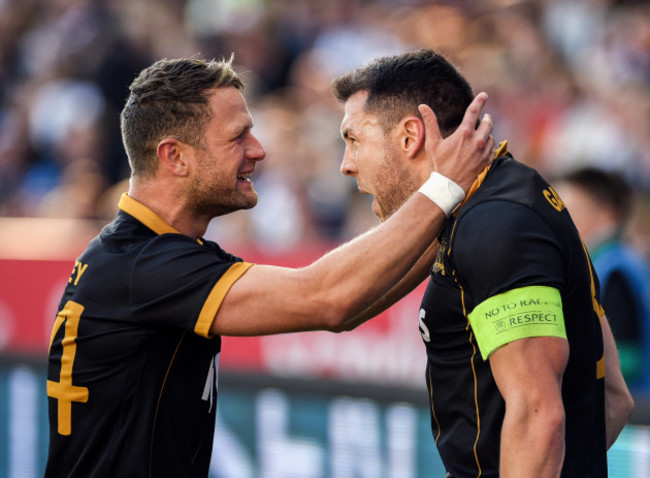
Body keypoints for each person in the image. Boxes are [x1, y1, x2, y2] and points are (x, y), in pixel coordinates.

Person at [44, 55, 494, 477]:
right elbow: (326, 298)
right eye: (238, 136)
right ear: (174, 156)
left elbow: (348, 308)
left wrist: (447, 220)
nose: (258, 150)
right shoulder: (147, 266)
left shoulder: (149, 255)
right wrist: (444, 187)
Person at [330, 49, 634, 477]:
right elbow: (614, 399)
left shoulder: (495, 224)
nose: (346, 165)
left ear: (409, 136)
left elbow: (537, 415)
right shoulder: (510, 197)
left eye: (352, 140)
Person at [554, 167, 650, 389]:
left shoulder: (614, 270)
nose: (559, 221)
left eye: (568, 211)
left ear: (606, 214)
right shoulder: (617, 261)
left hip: (632, 411)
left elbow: (628, 355)